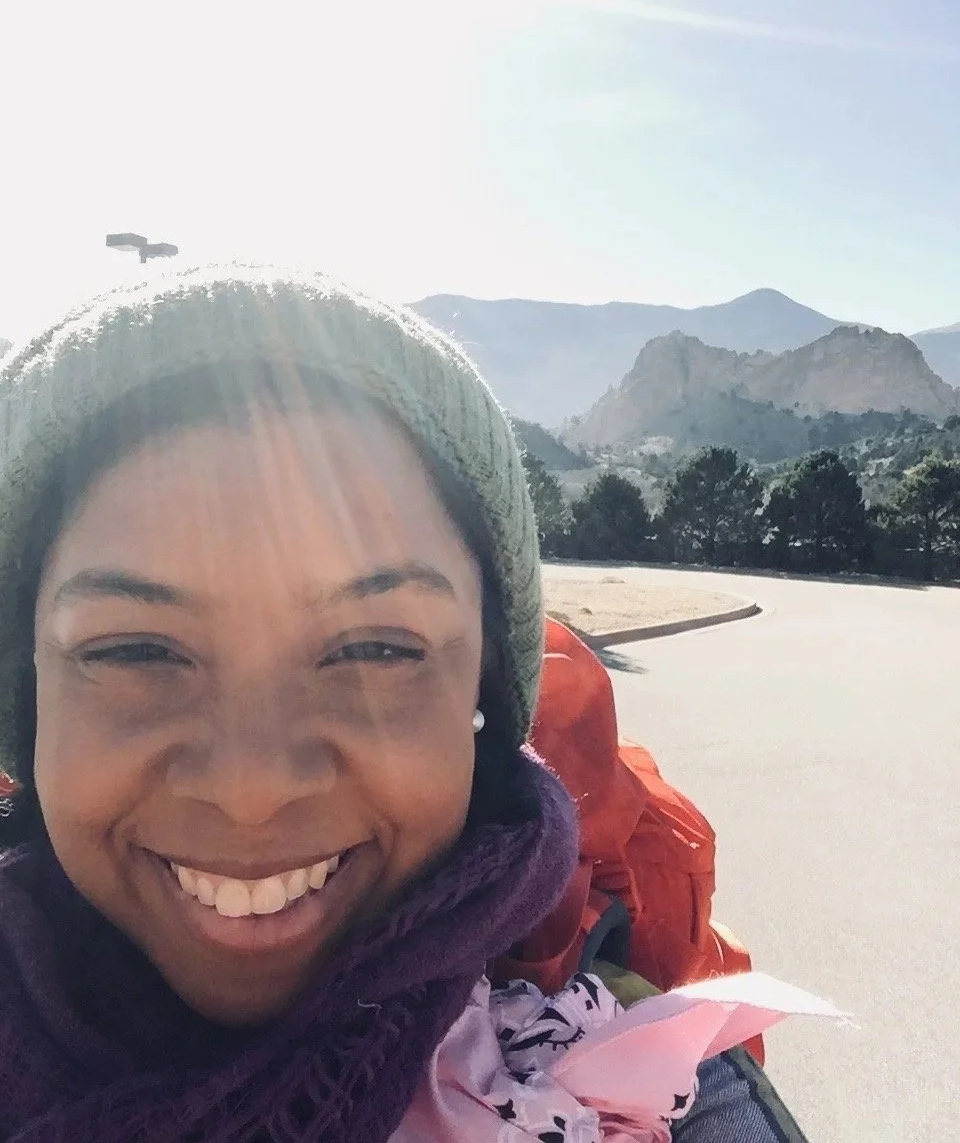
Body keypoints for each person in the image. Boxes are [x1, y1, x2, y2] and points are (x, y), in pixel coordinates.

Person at [0, 266, 836, 1141]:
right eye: (134, 650)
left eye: (375, 650)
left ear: (482, 691)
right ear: (28, 696)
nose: (252, 790)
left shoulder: (642, 1086)